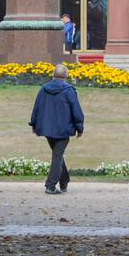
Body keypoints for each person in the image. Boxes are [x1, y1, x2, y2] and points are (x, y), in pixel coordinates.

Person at [29, 64, 85, 194]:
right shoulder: (69, 91)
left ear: (53, 75)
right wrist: (79, 127)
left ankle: (64, 182)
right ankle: (51, 185)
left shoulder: (44, 89)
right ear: (66, 77)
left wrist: (34, 124)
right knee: (58, 155)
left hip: (48, 129)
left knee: (57, 155)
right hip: (63, 129)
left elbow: (36, 108)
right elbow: (76, 110)